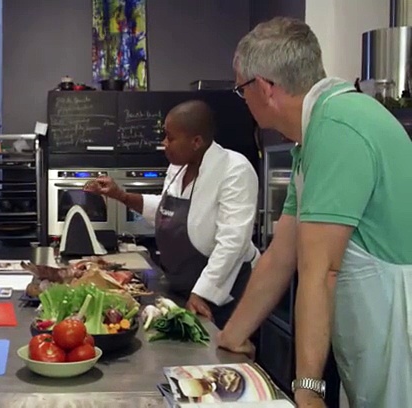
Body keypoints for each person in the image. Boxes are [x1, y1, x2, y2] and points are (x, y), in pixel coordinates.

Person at [219, 17, 412, 408]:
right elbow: (282, 254)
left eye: (242, 90)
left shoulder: (338, 127)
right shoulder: (315, 134)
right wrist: (232, 337)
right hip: (370, 328)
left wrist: (308, 388)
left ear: (265, 88)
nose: (245, 101)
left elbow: (320, 271)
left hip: (397, 326)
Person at [85, 100, 259, 328]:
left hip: (225, 292)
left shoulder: (234, 170)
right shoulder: (178, 167)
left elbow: (232, 242)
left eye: (170, 138)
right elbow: (168, 211)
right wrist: (120, 195)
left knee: (222, 356)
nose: (163, 143)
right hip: (183, 285)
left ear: (196, 141)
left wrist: (202, 293)